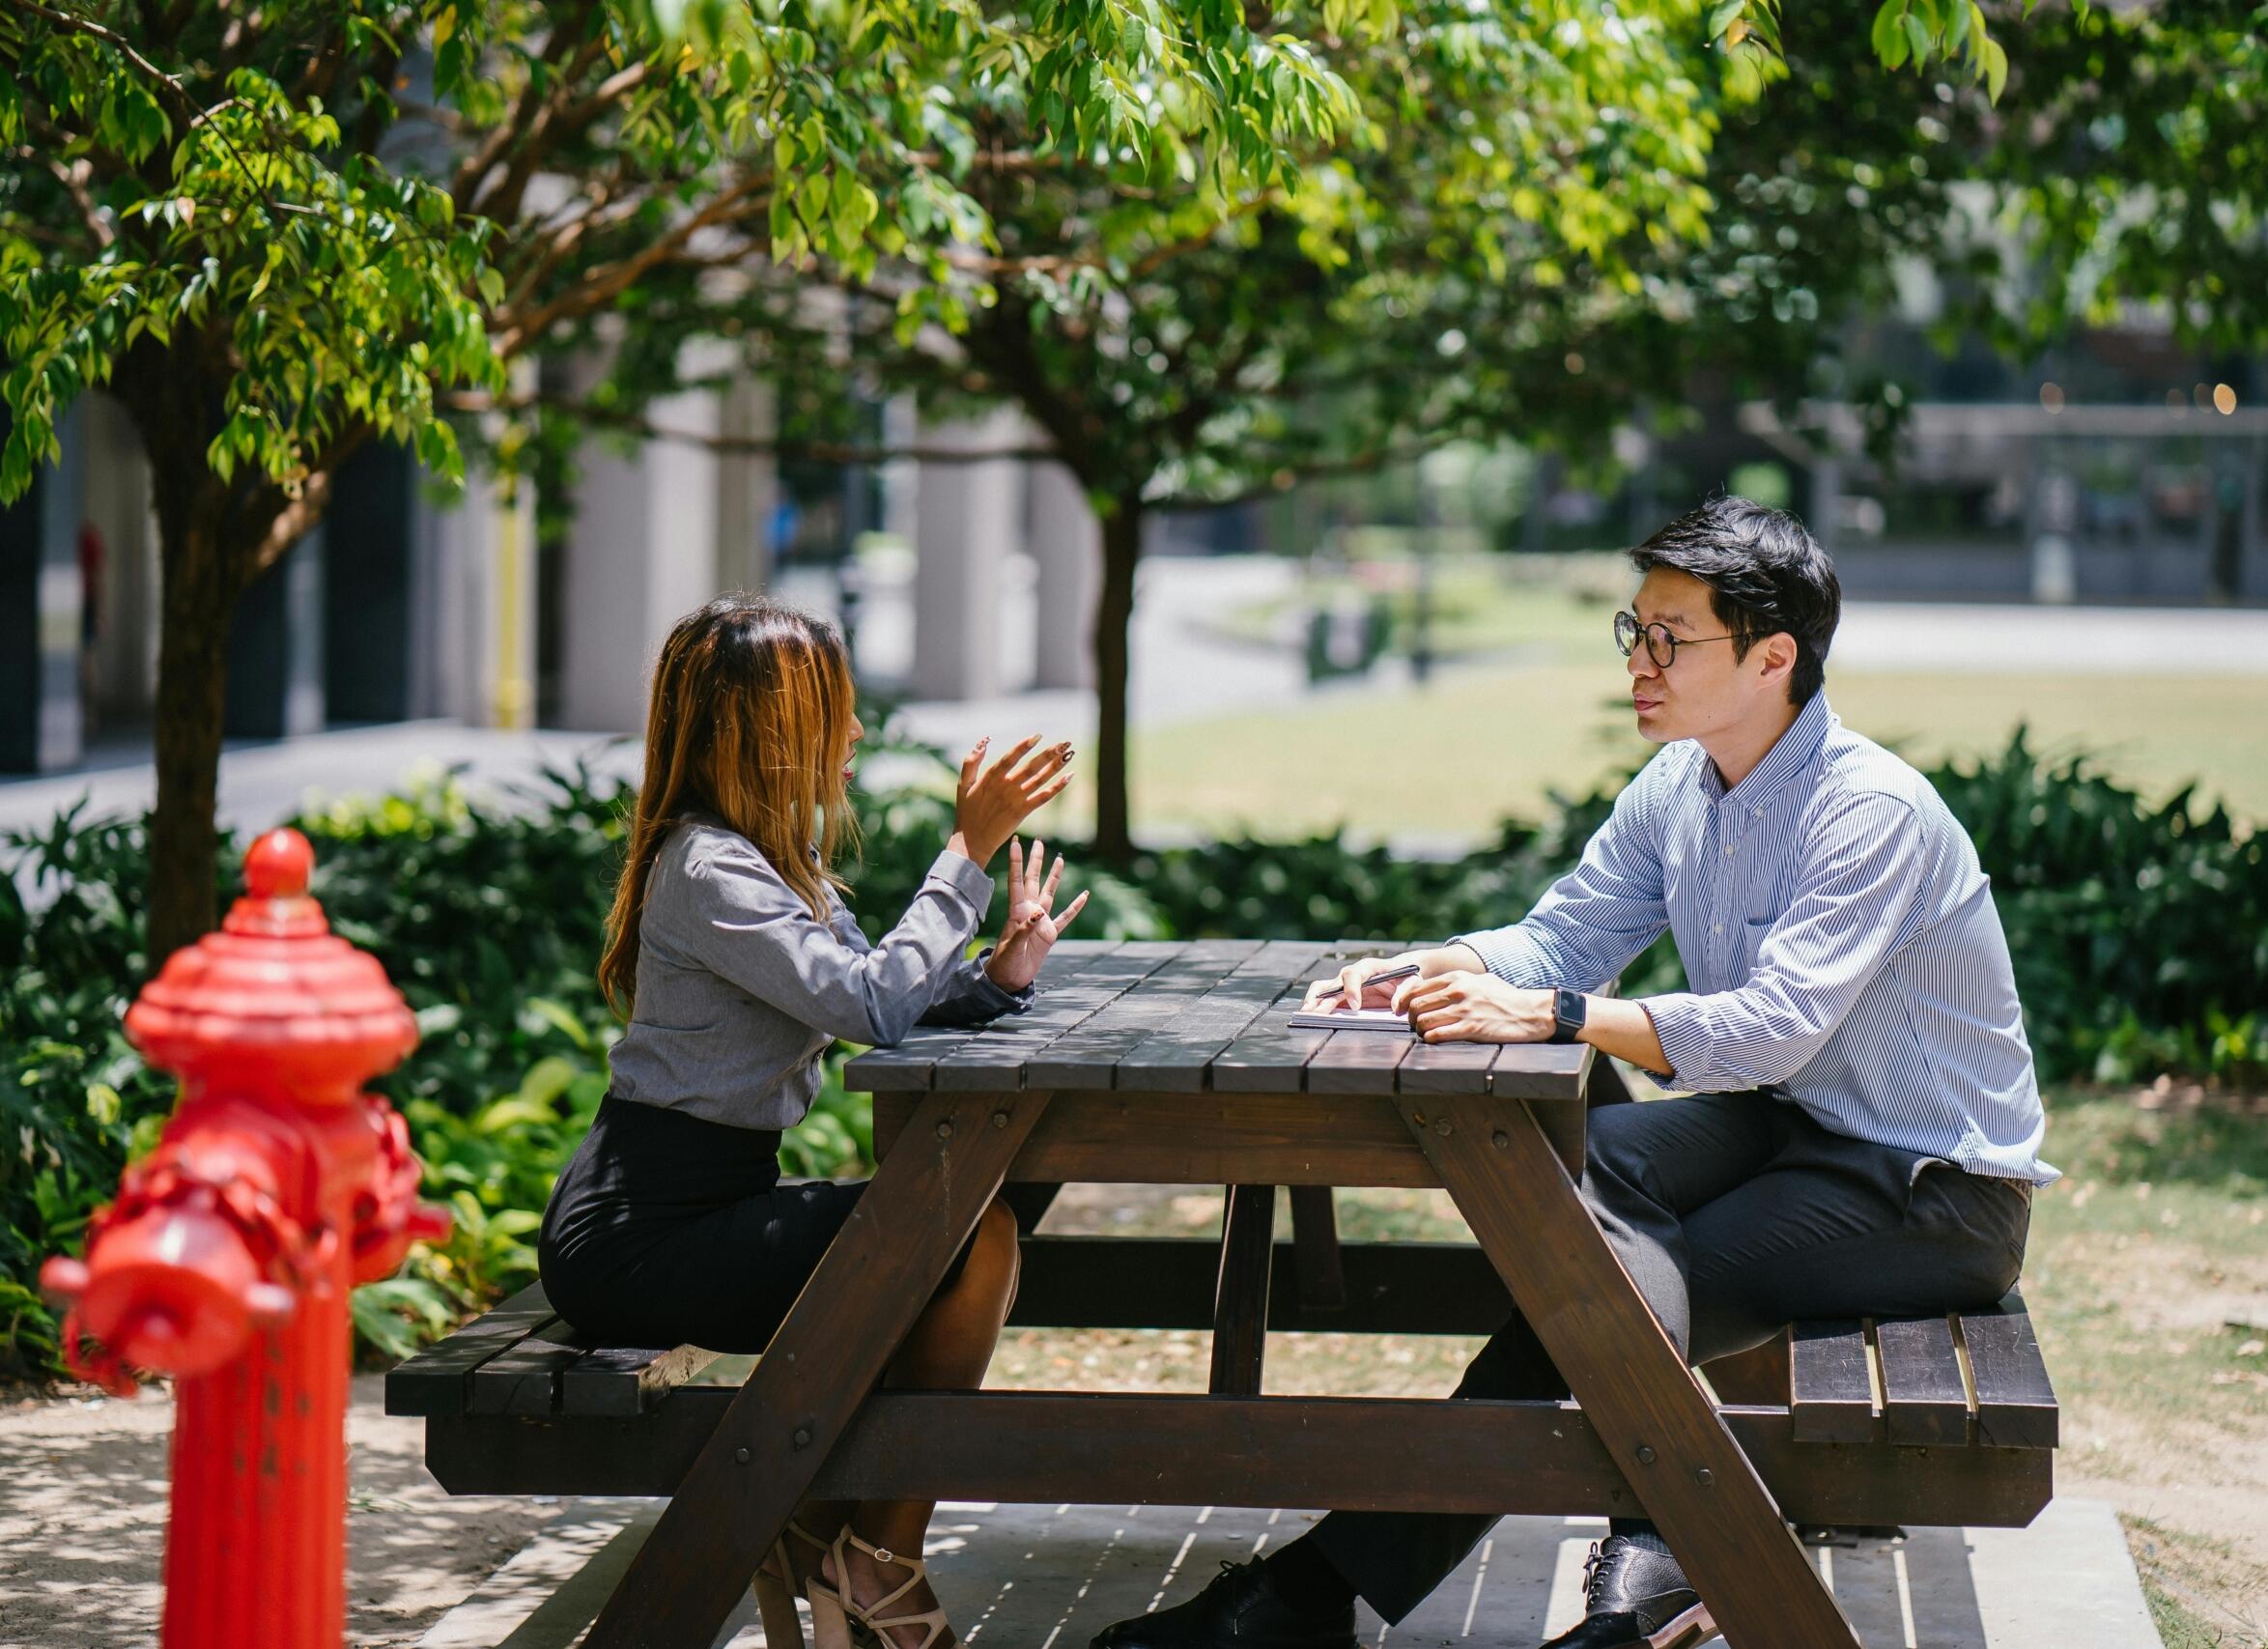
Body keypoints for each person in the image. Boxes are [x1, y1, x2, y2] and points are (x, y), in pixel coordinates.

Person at [1092, 498, 2053, 1649]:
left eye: (1670, 637)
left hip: (1930, 1186)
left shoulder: (1869, 812)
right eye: (1632, 630)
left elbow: (1768, 1028)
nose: (1639, 662)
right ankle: (1642, 1558)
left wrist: (1550, 1013)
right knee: (1561, 1185)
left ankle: (1326, 1596)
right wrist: (1434, 968)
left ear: (1772, 657)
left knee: (1590, 1291)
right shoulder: (1678, 789)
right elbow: (1563, 936)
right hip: (1791, 1127)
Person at [540, 595, 1089, 1649]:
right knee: (968, 1239)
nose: (855, 733)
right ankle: (867, 1560)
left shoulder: (767, 857)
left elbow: (873, 986)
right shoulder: (709, 871)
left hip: (700, 1202)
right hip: (638, 1235)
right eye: (834, 711)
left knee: (970, 1231)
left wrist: (996, 978)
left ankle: (842, 1535)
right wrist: (965, 853)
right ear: (768, 728)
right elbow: (869, 1007)